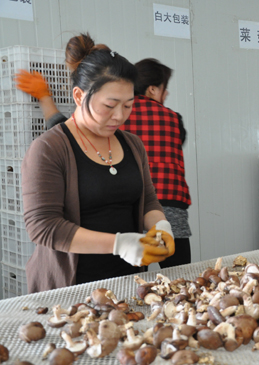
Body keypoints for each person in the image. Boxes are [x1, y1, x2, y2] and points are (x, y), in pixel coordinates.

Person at [21, 33, 176, 293]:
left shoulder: (133, 145)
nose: (119, 116)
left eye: (128, 106)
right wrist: (119, 244)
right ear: (79, 96)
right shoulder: (49, 149)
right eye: (110, 105)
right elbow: (44, 227)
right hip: (71, 288)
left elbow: (148, 200)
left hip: (128, 283)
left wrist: (161, 226)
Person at [119, 58, 192, 268]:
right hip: (171, 206)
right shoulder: (174, 119)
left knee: (134, 279)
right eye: (164, 88)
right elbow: (179, 141)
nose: (166, 93)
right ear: (152, 89)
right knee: (179, 276)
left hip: (134, 206)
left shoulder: (120, 115)